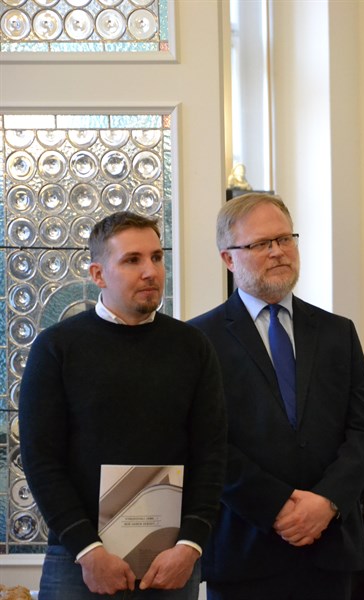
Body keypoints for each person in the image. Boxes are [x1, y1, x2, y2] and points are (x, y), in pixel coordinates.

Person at [19, 212, 227, 599]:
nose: (150, 271)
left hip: (170, 559)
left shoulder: (193, 346)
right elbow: (40, 458)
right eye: (132, 260)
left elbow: (211, 454)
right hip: (78, 559)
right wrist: (88, 550)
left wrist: (191, 544)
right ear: (98, 274)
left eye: (157, 257)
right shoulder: (57, 347)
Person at [189, 193, 364, 599]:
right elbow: (206, 444)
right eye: (261, 243)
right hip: (245, 547)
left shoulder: (337, 332)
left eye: (284, 239)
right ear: (228, 259)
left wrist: (326, 502)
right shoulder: (199, 340)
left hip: (330, 545)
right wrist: (277, 506)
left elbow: (363, 433)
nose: (277, 252)